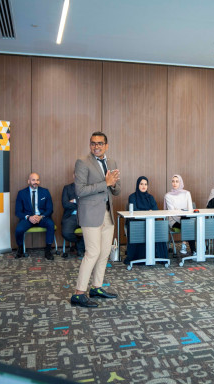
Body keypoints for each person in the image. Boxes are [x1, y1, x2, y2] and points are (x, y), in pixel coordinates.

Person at [70, 132, 121, 308]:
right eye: (93, 143)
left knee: (104, 253)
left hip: (107, 213)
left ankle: (96, 288)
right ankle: (78, 294)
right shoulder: (82, 162)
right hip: (90, 214)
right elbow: (80, 191)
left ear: (106, 145)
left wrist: (113, 184)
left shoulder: (112, 162)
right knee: (92, 252)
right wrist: (106, 183)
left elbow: (117, 190)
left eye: (100, 143)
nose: (96, 146)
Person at [123, 176, 168, 264]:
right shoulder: (132, 197)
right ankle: (138, 257)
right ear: (138, 185)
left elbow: (155, 209)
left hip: (150, 222)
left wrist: (148, 212)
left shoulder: (150, 197)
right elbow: (135, 211)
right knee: (138, 228)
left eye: (145, 184)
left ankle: (159, 255)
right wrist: (148, 211)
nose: (144, 186)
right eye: (141, 184)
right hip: (137, 222)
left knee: (160, 227)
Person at [14, 172, 55, 260]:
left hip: (41, 217)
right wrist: (29, 217)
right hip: (28, 218)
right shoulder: (21, 193)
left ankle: (48, 250)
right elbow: (18, 212)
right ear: (28, 181)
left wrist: (41, 216)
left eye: (37, 180)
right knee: (19, 229)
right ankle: (20, 248)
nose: (35, 182)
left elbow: (50, 209)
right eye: (33, 180)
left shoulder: (45, 192)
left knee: (51, 224)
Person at [164, 174, 195, 255]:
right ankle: (194, 250)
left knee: (187, 220)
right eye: (173, 181)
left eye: (177, 181)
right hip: (174, 221)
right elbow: (172, 213)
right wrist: (182, 220)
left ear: (180, 182)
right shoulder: (168, 195)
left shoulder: (187, 193)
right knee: (189, 225)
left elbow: (190, 209)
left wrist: (184, 219)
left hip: (186, 219)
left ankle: (184, 244)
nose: (174, 183)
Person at [61, 174, 84, 258]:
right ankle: (80, 243)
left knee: (93, 231)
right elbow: (65, 204)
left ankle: (80, 248)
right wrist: (80, 203)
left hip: (85, 216)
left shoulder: (88, 188)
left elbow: (90, 203)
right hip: (71, 216)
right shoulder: (67, 188)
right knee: (66, 233)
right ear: (74, 176)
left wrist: (74, 201)